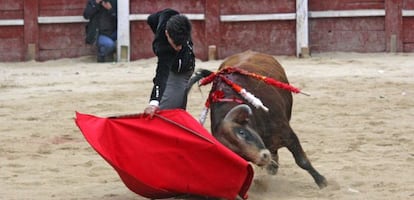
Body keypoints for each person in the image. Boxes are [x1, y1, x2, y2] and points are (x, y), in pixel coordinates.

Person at [144, 8, 195, 117]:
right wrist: (154, 102)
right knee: (166, 114)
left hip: (184, 69)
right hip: (174, 72)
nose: (179, 47)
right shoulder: (164, 49)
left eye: (181, 44)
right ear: (167, 34)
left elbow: (151, 19)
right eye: (176, 44)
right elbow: (161, 76)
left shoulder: (176, 18)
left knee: (171, 112)